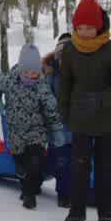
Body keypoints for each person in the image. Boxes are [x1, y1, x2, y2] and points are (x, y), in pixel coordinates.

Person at [58, 0, 111, 221]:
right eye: (81, 28)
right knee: (78, 165)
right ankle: (76, 211)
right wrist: (64, 113)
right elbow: (65, 84)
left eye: (90, 27)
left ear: (98, 26)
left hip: (107, 120)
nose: (86, 32)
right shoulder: (69, 50)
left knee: (104, 166)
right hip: (79, 120)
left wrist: (99, 100)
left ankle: (105, 211)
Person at [0, 44, 66, 209]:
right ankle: (26, 184)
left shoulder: (42, 86)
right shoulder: (9, 80)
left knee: (35, 161)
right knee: (21, 163)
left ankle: (30, 194)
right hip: (15, 132)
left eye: (34, 73)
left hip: (36, 131)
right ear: (20, 69)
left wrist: (57, 129)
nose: (30, 76)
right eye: (27, 72)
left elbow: (51, 108)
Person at [41, 33, 74, 208]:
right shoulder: (50, 74)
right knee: (57, 162)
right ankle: (37, 179)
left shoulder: (79, 74)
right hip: (56, 129)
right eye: (62, 57)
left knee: (67, 163)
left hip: (75, 129)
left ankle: (65, 193)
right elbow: (46, 98)